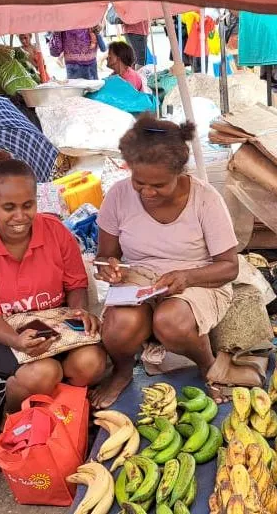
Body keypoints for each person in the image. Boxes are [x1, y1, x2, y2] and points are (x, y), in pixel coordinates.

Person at [90, 115, 239, 408]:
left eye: (158, 185)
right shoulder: (118, 195)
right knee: (118, 326)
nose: (147, 192)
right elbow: (105, 256)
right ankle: (122, 372)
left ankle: (208, 365)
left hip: (199, 277)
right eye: (139, 182)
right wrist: (108, 268)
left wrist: (187, 277)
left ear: (179, 172)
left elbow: (230, 266)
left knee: (170, 321)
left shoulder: (205, 199)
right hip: (139, 278)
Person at [0, 151, 106, 411]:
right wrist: (17, 341)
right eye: (8, 208)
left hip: (55, 323)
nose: (20, 216)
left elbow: (75, 284)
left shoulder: (55, 231)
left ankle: (64, 413)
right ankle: (13, 410)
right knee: (43, 373)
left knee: (90, 363)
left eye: (28, 205)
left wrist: (78, 312)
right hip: (3, 334)